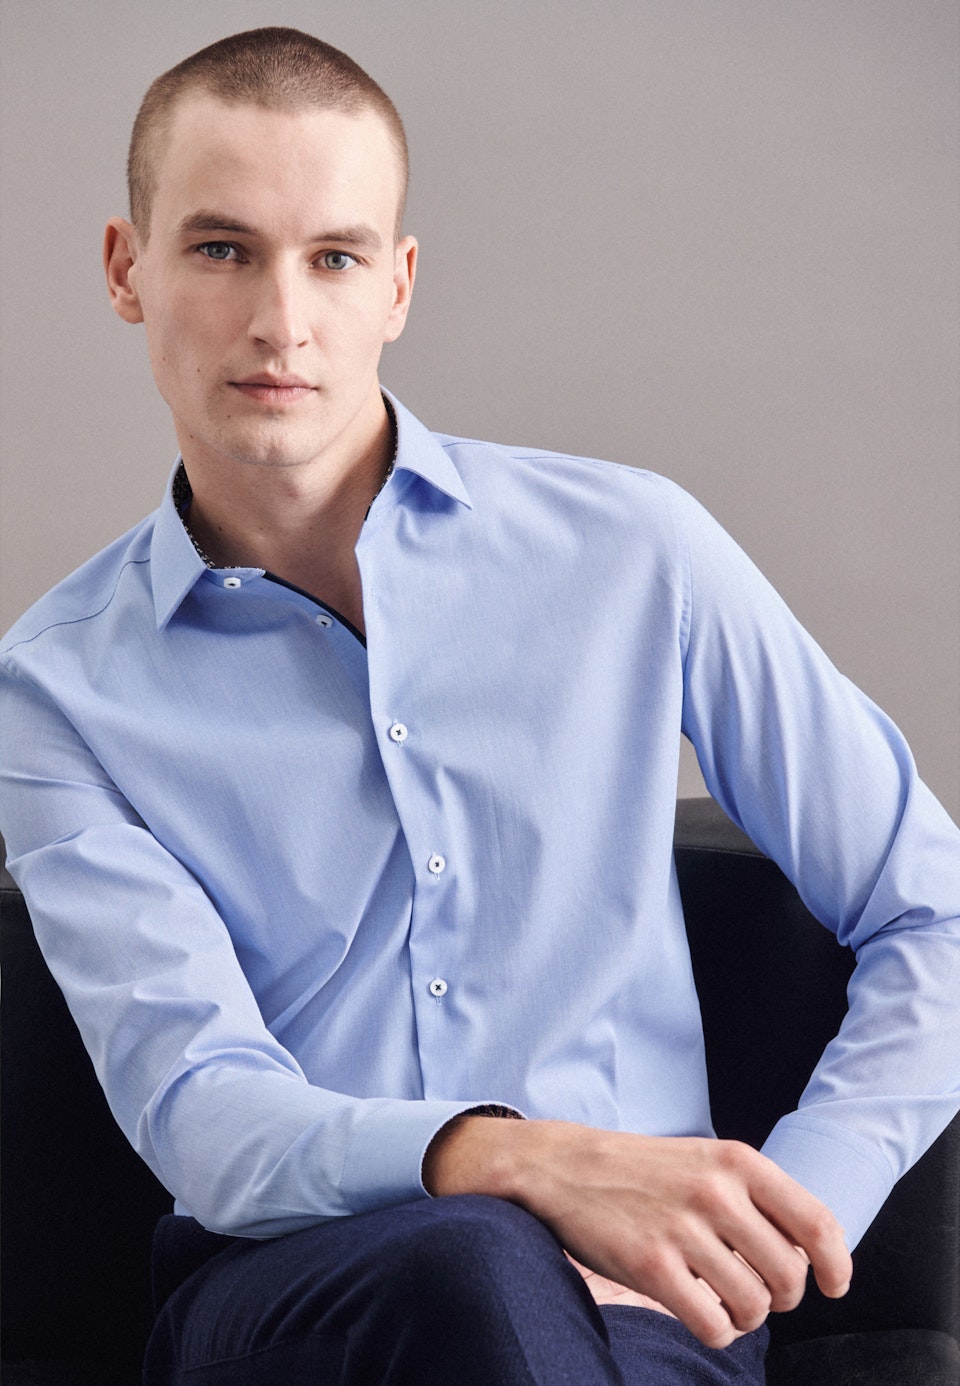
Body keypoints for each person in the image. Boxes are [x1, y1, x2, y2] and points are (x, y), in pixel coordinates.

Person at [1, 26, 957, 1386]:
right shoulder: (56, 690)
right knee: (475, 1260)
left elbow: (935, 907)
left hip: (648, 1311)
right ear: (125, 269)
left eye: (334, 258)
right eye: (221, 249)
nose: (281, 320)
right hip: (292, 1299)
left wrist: (788, 1211)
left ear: (397, 284)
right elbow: (206, 1111)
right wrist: (521, 1162)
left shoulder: (636, 551)